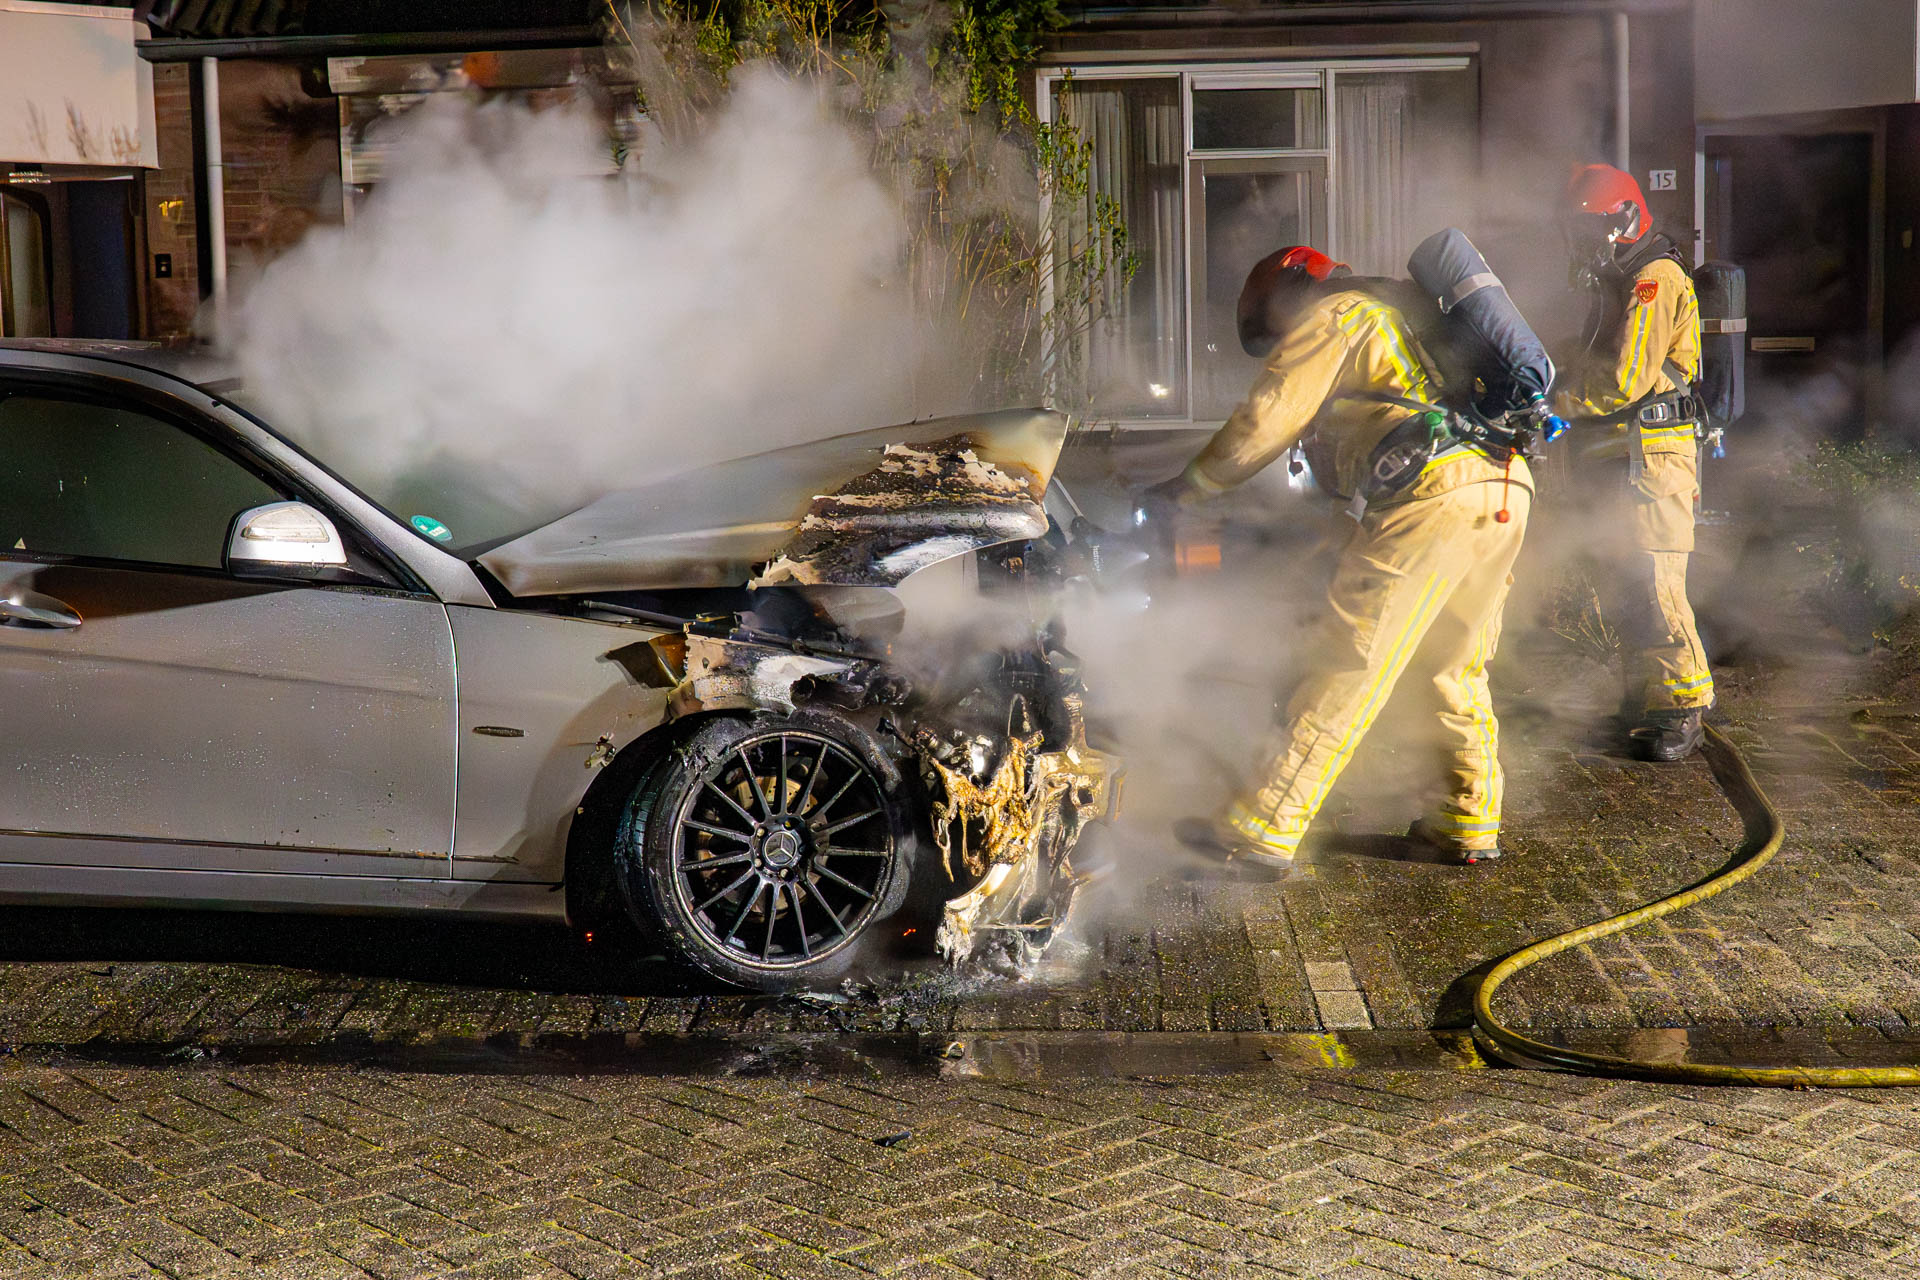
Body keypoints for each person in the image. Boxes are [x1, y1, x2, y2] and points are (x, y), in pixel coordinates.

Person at [1146, 245, 1532, 875]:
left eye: (1275, 330)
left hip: (1433, 492)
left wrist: (1190, 487)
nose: (1280, 344)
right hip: (1503, 484)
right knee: (1453, 663)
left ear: (1292, 294)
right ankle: (1467, 816)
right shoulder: (1403, 318)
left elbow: (1268, 416)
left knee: (1353, 656)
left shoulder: (1340, 314)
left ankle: (1264, 828)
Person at [1554, 163, 1712, 762]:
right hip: (1627, 456)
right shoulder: (1618, 279)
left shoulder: (1653, 277)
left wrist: (1556, 402)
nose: (1580, 241)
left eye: (1588, 227)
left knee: (1655, 581)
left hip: (1655, 457)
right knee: (1625, 585)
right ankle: (1647, 700)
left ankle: (1683, 707)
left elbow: (1625, 377)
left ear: (1622, 219)